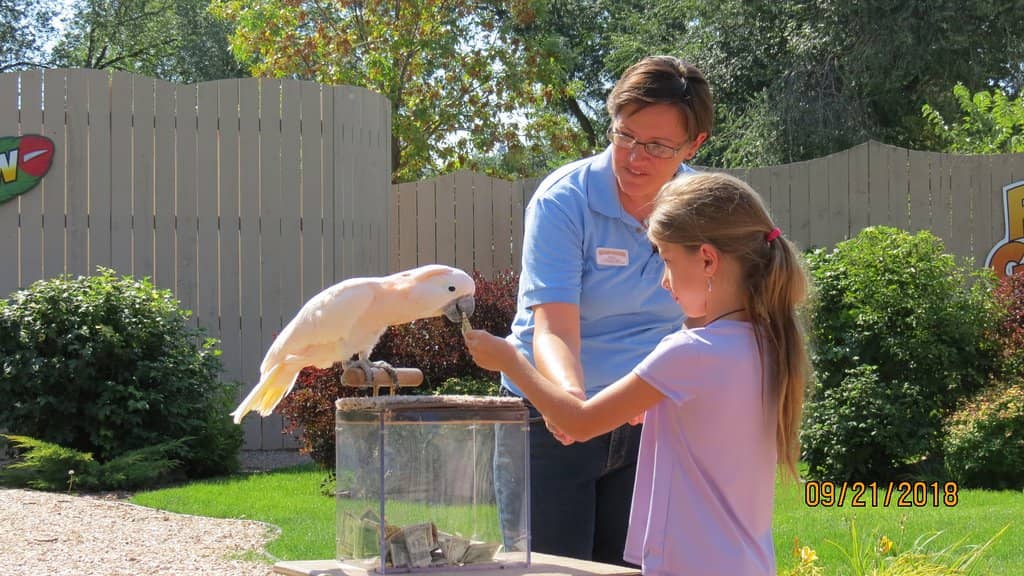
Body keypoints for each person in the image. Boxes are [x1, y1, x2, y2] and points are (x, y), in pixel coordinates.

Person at [468, 172, 809, 575]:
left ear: (707, 259)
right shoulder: (768, 344)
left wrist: (509, 359)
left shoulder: (688, 353)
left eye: (666, 260)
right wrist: (657, 413)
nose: (664, 281)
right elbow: (717, 425)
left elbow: (578, 423)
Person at [494, 55, 713, 565]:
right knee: (550, 567)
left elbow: (711, 322)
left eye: (658, 147)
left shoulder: (706, 210)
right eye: (626, 136)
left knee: (637, 564)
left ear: (694, 145)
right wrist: (572, 404)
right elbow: (552, 327)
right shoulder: (563, 200)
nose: (635, 157)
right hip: (548, 418)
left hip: (650, 416)